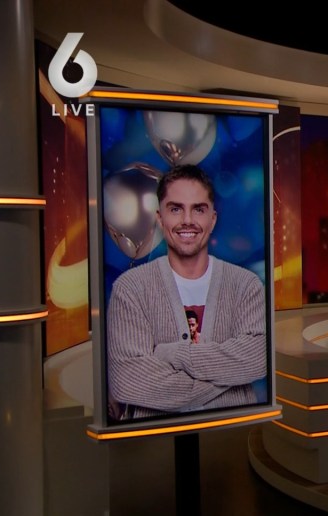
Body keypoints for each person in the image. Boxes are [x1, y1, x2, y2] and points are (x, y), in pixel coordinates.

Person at [106, 164, 266, 420]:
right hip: (157, 440)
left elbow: (257, 359)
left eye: (198, 209)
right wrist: (226, 378)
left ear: (212, 219)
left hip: (230, 435)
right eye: (176, 209)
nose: (187, 220)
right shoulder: (130, 289)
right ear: (160, 219)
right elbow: (128, 381)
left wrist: (171, 354)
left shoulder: (245, 285)